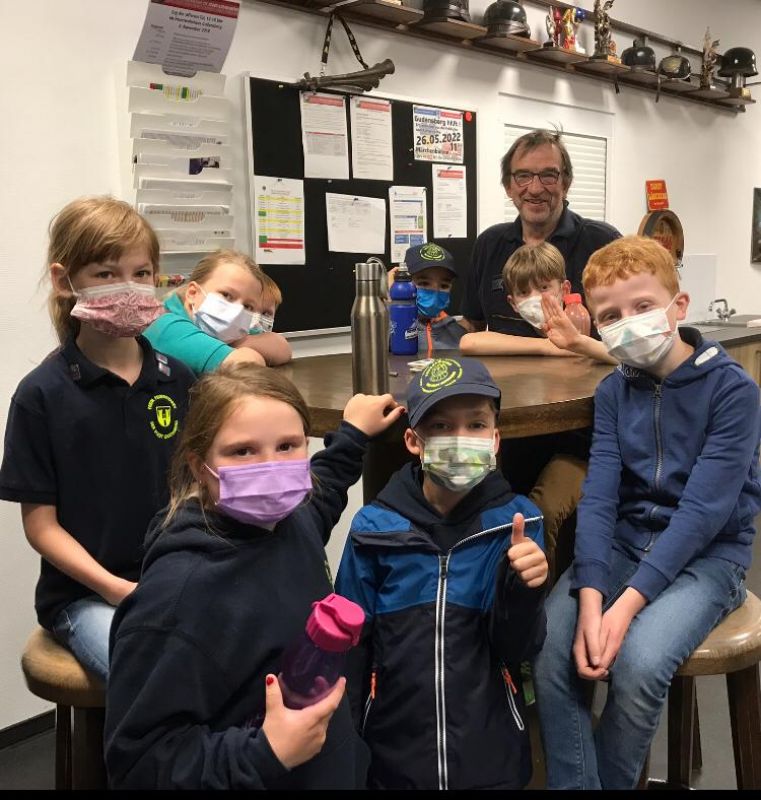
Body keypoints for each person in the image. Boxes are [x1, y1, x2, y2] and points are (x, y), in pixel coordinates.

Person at [104, 363, 406, 790]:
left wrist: (353, 434)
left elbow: (324, 491)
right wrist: (265, 752)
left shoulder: (292, 522)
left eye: (287, 446)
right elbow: (138, 764)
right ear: (199, 465)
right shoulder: (177, 599)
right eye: (242, 451)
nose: (271, 469)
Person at [532, 235, 761, 789]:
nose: (629, 323)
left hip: (709, 558)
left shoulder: (734, 391)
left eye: (643, 306)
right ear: (596, 326)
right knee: (550, 647)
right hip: (626, 542)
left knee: (637, 664)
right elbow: (601, 496)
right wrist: (591, 598)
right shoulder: (615, 390)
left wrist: (624, 608)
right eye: (611, 316)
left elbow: (704, 513)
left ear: (678, 307)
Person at [0, 196, 195, 683]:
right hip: (87, 597)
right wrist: (115, 588)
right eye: (106, 274)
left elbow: (197, 485)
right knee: (156, 679)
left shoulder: (178, 379)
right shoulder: (41, 396)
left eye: (141, 273)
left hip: (178, 579)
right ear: (64, 280)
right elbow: (41, 527)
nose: (128, 287)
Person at [335, 356, 549, 790]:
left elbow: (519, 648)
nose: (460, 438)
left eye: (476, 425)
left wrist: (523, 589)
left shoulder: (519, 524)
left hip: (491, 759)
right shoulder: (374, 529)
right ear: (413, 441)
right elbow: (349, 647)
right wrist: (347, 756)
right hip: (393, 758)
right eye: (441, 426)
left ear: (495, 439)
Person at [460, 128, 620, 335]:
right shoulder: (489, 244)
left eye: (548, 176)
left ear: (566, 184)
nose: (535, 189)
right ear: (508, 186)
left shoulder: (603, 243)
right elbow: (473, 325)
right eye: (523, 176)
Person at [461, 241, 616, 364]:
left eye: (544, 287)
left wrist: (578, 343)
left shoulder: (581, 320)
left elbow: (622, 357)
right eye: (523, 292)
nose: (535, 298)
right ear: (513, 303)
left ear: (565, 290)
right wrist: (547, 346)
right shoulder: (515, 329)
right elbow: (468, 343)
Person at [144, 249, 292, 374]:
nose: (237, 311)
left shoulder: (225, 325)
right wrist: (233, 345)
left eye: (248, 306)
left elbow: (281, 348)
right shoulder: (166, 326)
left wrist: (231, 341)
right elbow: (249, 364)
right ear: (193, 293)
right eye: (226, 295)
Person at [388, 242, 466, 357]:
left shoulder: (459, 334)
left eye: (444, 285)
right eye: (424, 283)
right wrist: (391, 299)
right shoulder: (389, 328)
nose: (435, 293)